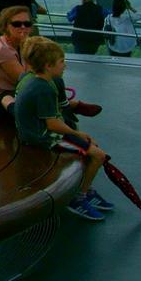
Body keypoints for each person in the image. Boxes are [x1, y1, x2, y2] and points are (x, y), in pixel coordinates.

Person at [15, 37, 114, 221]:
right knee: (98, 155)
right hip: (43, 138)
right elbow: (52, 124)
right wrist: (77, 133)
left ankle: (84, 189)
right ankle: (79, 197)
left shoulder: (33, 81)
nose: (65, 65)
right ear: (48, 66)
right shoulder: (43, 88)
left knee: (91, 148)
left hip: (34, 133)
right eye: (61, 62)